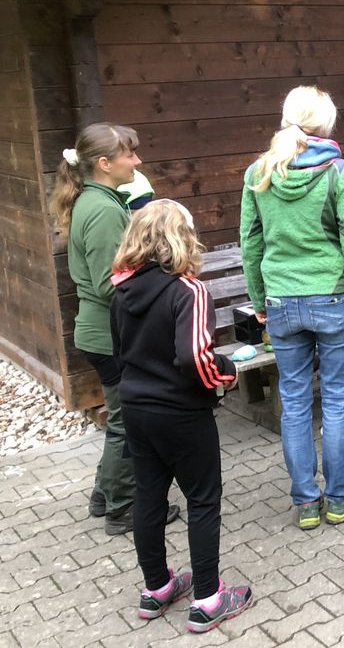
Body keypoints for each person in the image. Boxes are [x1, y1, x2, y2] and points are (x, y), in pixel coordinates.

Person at [241, 86, 344, 530]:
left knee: (296, 403)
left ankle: (306, 503)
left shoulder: (258, 173)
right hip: (335, 297)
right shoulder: (338, 171)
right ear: (325, 123)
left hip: (282, 302)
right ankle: (340, 499)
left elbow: (250, 243)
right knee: (337, 403)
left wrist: (259, 299)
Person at [109, 200, 252, 633]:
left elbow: (120, 353)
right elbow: (194, 356)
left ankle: (157, 588)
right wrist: (224, 376)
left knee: (149, 496)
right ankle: (209, 599)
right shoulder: (188, 290)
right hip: (181, 412)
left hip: (136, 406)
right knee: (203, 498)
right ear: (181, 238)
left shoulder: (121, 290)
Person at [50, 122, 179, 536]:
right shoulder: (103, 209)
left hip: (100, 332)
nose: (138, 161)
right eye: (130, 155)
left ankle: (105, 494)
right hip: (109, 336)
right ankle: (123, 507)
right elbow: (112, 283)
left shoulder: (95, 199)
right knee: (128, 422)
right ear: (104, 163)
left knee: (122, 417)